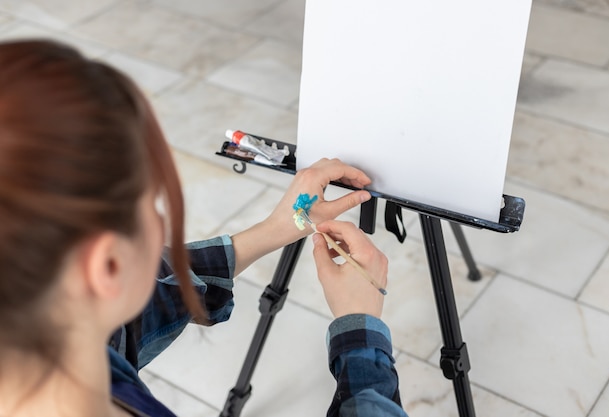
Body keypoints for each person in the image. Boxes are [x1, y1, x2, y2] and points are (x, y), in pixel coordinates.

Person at [0, 39, 407, 417]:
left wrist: (279, 228)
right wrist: (361, 325)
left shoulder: (59, 342)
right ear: (106, 266)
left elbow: (149, 297)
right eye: (152, 202)